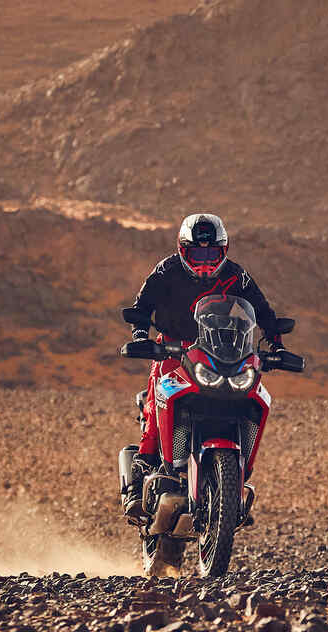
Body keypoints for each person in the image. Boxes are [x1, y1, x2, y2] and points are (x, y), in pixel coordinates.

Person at [122, 212, 286, 517]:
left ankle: (231, 481)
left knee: (252, 394)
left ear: (223, 251)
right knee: (158, 398)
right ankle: (138, 477)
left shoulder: (238, 276)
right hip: (172, 347)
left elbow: (262, 311)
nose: (205, 260)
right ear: (184, 250)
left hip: (221, 351)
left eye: (212, 253)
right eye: (198, 252)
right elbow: (142, 306)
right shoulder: (166, 270)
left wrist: (276, 342)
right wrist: (141, 334)